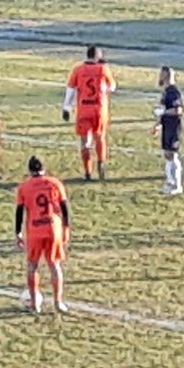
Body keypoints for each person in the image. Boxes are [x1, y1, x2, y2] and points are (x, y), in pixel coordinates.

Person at [14, 155, 70, 314]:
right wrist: (66, 228)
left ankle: (34, 304)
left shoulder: (24, 187)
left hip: (34, 230)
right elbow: (64, 208)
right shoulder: (55, 183)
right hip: (53, 228)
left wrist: (18, 233)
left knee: (32, 266)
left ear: (30, 170)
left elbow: (19, 211)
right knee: (54, 265)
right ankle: (58, 302)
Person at [62, 44, 117, 181]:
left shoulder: (78, 70)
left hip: (83, 109)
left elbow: (70, 89)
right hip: (99, 109)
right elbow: (113, 87)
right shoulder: (103, 69)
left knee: (85, 142)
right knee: (100, 137)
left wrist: (67, 107)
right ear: (97, 56)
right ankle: (101, 162)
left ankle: (87, 172)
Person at [154, 65, 184, 196]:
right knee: (167, 154)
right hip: (167, 126)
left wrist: (164, 112)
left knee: (172, 154)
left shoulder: (173, 92)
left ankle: (177, 185)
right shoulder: (166, 91)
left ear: (166, 76)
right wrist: (158, 124)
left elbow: (178, 110)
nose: (159, 76)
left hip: (174, 127)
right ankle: (170, 182)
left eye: (161, 74)